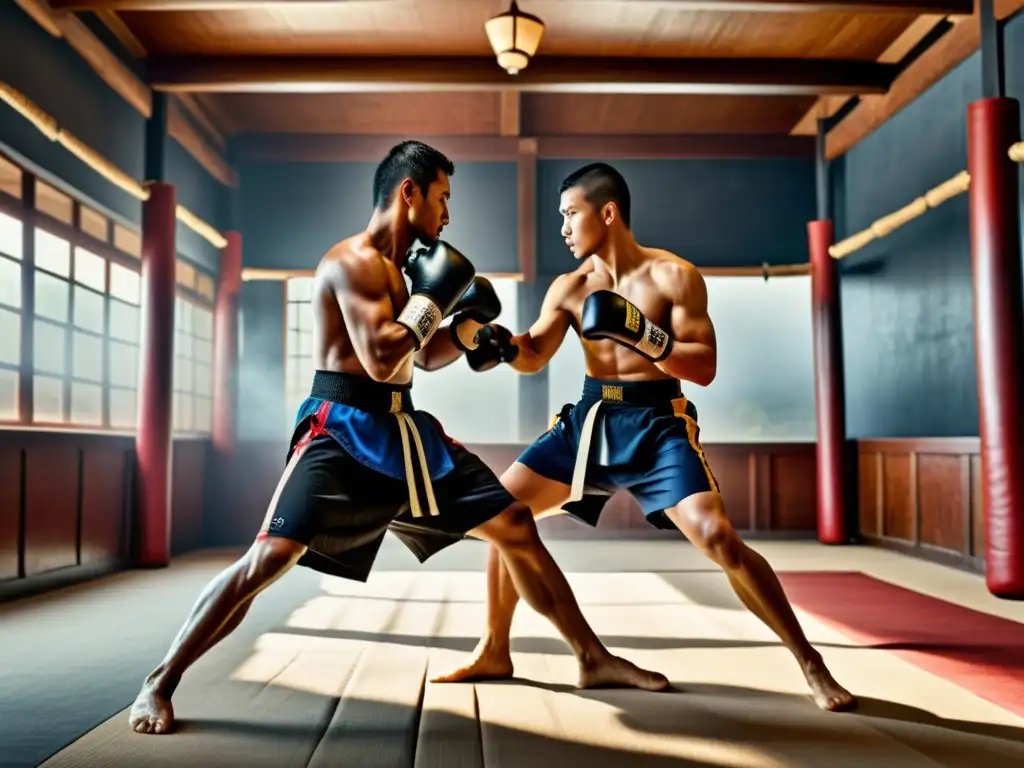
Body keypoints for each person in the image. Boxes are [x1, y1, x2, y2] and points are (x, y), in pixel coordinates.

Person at [128, 143, 668, 736]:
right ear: (408, 192)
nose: (446, 215)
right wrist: (434, 298)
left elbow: (421, 358)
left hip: (403, 430)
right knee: (270, 557)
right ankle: (161, 679)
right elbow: (383, 358)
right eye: (441, 198)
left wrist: (466, 335)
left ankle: (592, 658)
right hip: (340, 429)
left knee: (514, 523)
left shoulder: (407, 270)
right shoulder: (352, 262)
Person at [432, 162, 857, 713]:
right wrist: (495, 344)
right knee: (503, 513)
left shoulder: (673, 276)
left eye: (570, 214)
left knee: (719, 538)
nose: (562, 227)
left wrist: (645, 335)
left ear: (606, 213)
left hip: (658, 424)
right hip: (589, 423)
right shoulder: (570, 287)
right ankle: (494, 649)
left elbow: (703, 366)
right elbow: (533, 354)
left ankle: (810, 663)